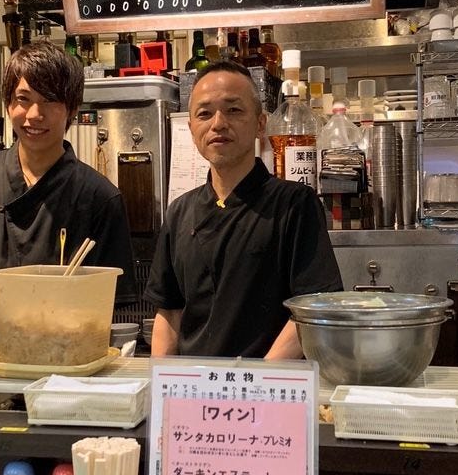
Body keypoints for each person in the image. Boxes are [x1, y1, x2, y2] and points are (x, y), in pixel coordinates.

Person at [145, 60, 342, 359]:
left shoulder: (294, 205)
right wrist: (162, 385)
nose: (218, 123)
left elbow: (311, 310)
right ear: (191, 128)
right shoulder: (179, 212)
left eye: (234, 110)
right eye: (204, 113)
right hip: (192, 390)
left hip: (265, 393)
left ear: (260, 124)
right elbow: (169, 314)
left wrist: (255, 383)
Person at [0, 40, 137, 304]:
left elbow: (107, 302)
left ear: (72, 109)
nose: (34, 115)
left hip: (68, 340)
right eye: (23, 99)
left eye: (49, 101)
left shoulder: (100, 198)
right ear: (8, 104)